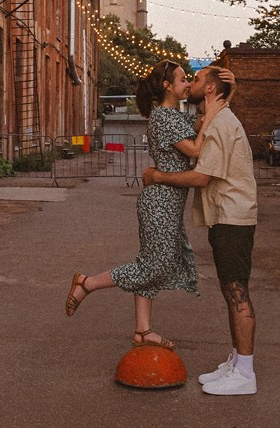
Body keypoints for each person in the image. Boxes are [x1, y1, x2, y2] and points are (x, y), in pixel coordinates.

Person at [64, 59, 231, 349]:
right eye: (181, 80)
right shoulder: (164, 117)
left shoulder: (175, 116)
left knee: (150, 264)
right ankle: (87, 283)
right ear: (167, 86)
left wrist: (229, 93)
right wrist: (210, 116)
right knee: (153, 266)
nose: (187, 84)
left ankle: (143, 331)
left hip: (167, 202)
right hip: (160, 202)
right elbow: (194, 148)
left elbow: (207, 121)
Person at [142, 64, 258, 396]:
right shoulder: (216, 118)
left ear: (209, 90)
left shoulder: (221, 123)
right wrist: (228, 94)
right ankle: (237, 362)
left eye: (195, 80)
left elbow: (201, 177)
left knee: (237, 293)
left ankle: (245, 372)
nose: (190, 84)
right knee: (231, 290)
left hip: (233, 217)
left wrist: (159, 177)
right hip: (225, 215)